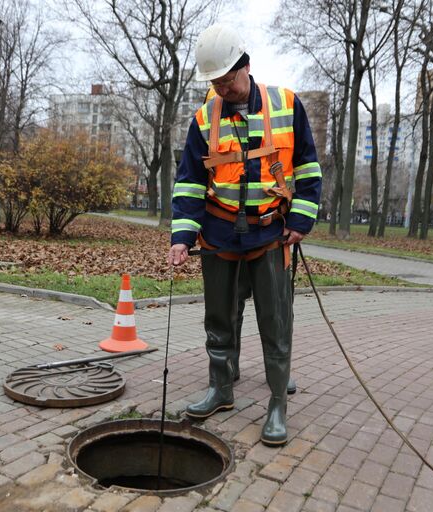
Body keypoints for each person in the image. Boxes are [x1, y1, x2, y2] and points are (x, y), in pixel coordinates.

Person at [168, 24, 321, 446]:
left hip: (270, 234)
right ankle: (221, 389)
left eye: (227, 80)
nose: (221, 88)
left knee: (275, 321)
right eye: (214, 83)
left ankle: (276, 402)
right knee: (218, 319)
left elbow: (308, 168)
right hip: (219, 235)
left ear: (245, 67)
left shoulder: (287, 105)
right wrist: (182, 234)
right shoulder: (203, 118)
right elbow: (190, 182)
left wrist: (301, 220)